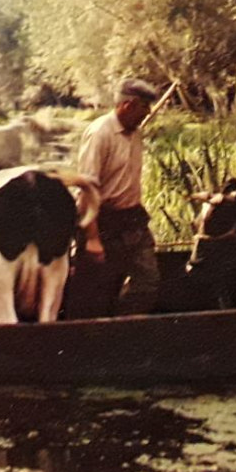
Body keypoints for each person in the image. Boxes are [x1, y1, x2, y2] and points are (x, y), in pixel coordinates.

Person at [65, 77, 163, 318]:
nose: (147, 113)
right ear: (127, 105)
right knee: (94, 290)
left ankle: (123, 326)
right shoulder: (100, 134)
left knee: (148, 281)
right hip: (103, 222)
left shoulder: (134, 133)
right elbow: (87, 189)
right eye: (144, 107)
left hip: (133, 220)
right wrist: (92, 238)